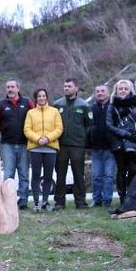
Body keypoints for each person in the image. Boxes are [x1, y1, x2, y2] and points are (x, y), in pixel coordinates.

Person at [106, 80, 136, 207]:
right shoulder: (112, 106)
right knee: (121, 170)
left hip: (135, 142)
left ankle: (132, 196)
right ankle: (122, 198)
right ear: (116, 90)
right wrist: (124, 133)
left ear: (130, 90)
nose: (123, 90)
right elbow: (109, 124)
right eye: (121, 88)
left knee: (134, 169)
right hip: (119, 142)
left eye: (126, 88)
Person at [52, 78, 91, 210]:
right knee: (60, 175)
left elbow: (89, 126)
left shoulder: (84, 105)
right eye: (65, 86)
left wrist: (84, 140)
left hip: (77, 145)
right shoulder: (57, 104)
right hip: (61, 145)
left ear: (76, 88)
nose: (66, 88)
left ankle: (80, 202)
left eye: (69, 86)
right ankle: (59, 202)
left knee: (78, 174)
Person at [0, 79, 34, 209]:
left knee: (24, 174)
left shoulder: (27, 102)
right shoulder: (0, 104)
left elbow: (34, 118)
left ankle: (23, 201)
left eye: (12, 87)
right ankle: (8, 201)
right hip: (7, 144)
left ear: (18, 88)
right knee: (8, 174)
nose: (10, 89)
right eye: (8, 87)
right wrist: (6, 130)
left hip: (24, 143)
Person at [24, 88, 63, 211]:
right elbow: (27, 129)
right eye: (39, 96)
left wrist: (47, 138)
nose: (41, 98)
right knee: (35, 175)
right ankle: (36, 202)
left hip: (50, 148)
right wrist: (38, 139)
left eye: (43, 96)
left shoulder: (54, 111)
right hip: (35, 148)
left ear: (47, 97)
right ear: (36, 98)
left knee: (48, 176)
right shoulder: (30, 113)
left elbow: (59, 128)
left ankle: (45, 201)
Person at [88, 84, 116, 208]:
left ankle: (107, 200)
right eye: (97, 91)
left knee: (109, 176)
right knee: (96, 176)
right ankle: (96, 200)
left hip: (110, 148)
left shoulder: (113, 108)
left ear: (108, 93)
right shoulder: (91, 109)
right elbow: (87, 127)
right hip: (96, 148)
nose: (100, 93)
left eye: (102, 91)